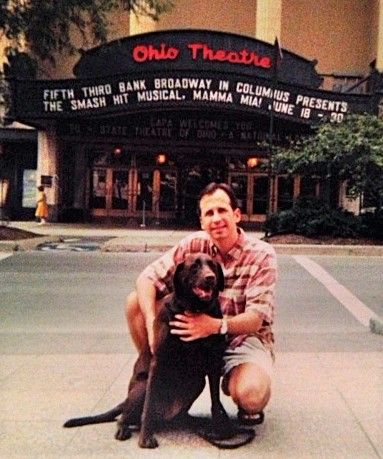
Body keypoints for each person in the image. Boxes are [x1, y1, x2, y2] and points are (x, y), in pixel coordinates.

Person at [125, 182, 277, 424]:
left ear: (236, 214)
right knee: (136, 303)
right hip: (195, 335)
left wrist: (213, 326)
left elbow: (255, 319)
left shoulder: (262, 254)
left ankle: (235, 379)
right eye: (209, 213)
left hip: (241, 338)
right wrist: (153, 325)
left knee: (251, 396)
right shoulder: (193, 245)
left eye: (222, 210)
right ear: (202, 222)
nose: (216, 219)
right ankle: (161, 375)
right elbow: (146, 279)